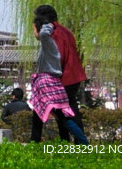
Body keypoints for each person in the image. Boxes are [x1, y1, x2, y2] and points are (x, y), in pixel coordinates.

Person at [30, 14, 88, 144]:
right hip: (54, 81)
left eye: (34, 29)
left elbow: (43, 34)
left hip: (47, 83)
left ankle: (81, 142)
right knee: (61, 116)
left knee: (56, 116)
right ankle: (79, 142)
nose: (34, 33)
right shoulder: (53, 41)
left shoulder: (48, 40)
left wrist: (48, 25)